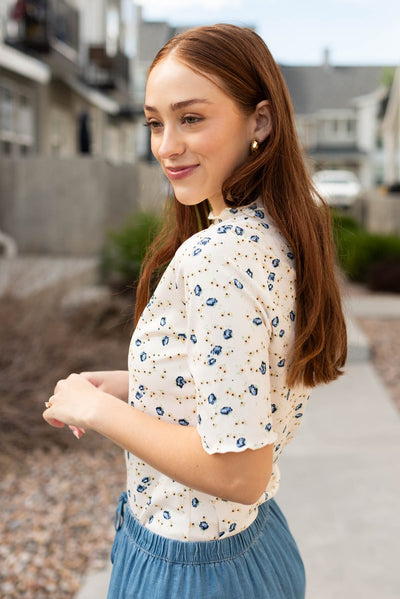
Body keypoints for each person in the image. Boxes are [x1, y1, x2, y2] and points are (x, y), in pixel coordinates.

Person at [43, 24, 347, 599]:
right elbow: (243, 387)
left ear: (260, 121)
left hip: (193, 571)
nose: (166, 146)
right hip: (250, 550)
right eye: (155, 122)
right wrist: (137, 387)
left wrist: (96, 412)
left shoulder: (218, 257)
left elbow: (239, 472)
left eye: (191, 118)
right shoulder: (280, 227)